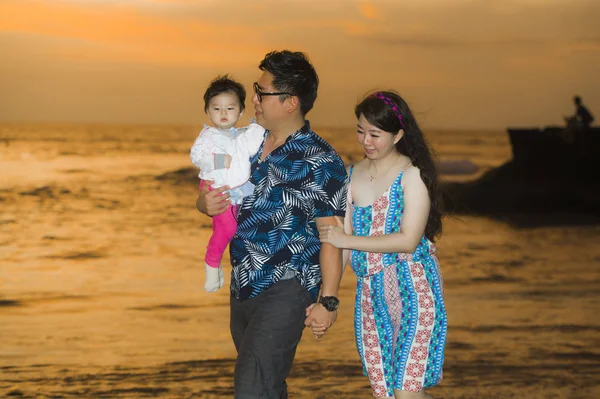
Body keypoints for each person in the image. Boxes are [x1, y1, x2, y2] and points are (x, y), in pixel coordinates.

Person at [195, 50, 348, 398]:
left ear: (291, 101)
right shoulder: (245, 143)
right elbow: (209, 183)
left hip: (288, 286)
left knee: (251, 386)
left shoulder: (320, 159)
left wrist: (329, 301)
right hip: (244, 283)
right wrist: (204, 203)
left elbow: (333, 236)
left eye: (261, 92)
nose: (253, 100)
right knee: (266, 385)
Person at [316, 91, 448, 398]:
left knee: (406, 392)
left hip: (414, 290)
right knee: (388, 395)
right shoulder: (351, 176)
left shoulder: (412, 175)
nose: (366, 141)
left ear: (398, 134)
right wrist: (325, 298)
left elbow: (408, 240)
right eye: (361, 131)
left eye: (375, 134)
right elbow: (344, 251)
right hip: (370, 296)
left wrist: (345, 239)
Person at [190, 75, 266, 293]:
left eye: (230, 108)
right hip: (216, 186)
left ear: (241, 112)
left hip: (237, 189)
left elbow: (253, 146)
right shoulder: (208, 136)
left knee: (229, 228)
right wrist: (217, 160)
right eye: (217, 109)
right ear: (207, 111)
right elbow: (197, 156)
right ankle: (211, 264)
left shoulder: (242, 136)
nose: (223, 114)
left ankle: (219, 263)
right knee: (227, 227)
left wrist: (257, 128)